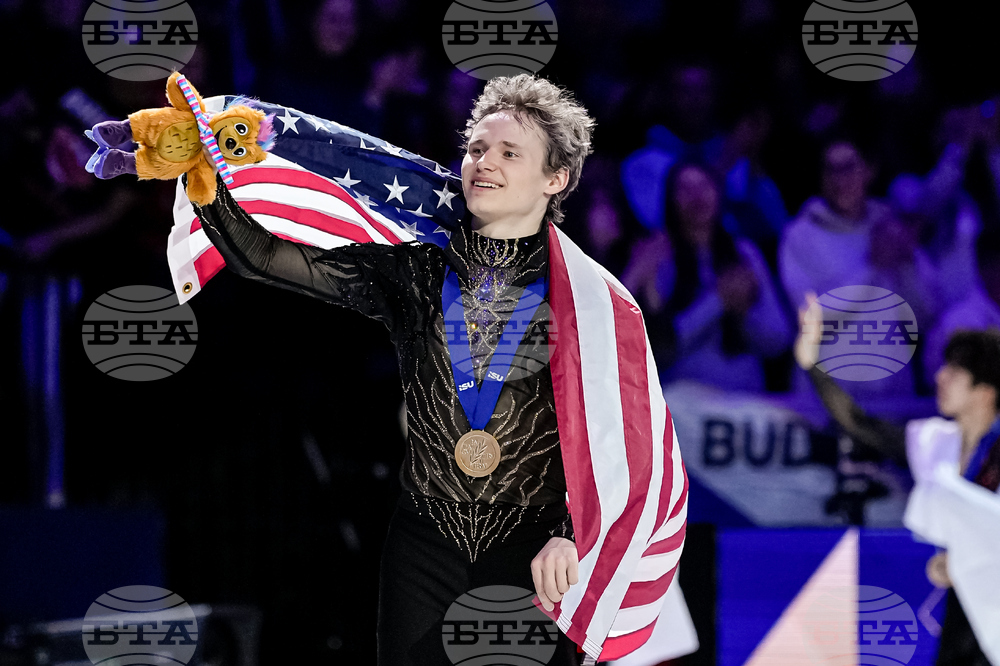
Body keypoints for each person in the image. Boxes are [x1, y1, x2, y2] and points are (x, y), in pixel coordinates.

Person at [172, 74, 686, 665]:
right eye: (475, 149)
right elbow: (261, 256)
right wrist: (204, 183)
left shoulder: (593, 306)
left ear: (556, 179)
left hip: (534, 549)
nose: (483, 163)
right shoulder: (417, 272)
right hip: (424, 544)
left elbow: (627, 452)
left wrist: (572, 535)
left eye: (508, 153)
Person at [795, 293, 1000, 665]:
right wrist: (813, 363)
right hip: (964, 613)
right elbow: (861, 424)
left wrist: (969, 560)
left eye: (954, 372)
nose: (939, 377)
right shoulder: (937, 442)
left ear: (984, 392)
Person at [622, 160, 793, 392]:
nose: (697, 196)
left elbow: (779, 340)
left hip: (744, 400)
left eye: (704, 186)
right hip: (684, 404)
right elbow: (659, 350)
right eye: (685, 189)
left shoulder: (744, 252)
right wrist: (717, 302)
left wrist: (745, 313)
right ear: (670, 200)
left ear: (718, 192)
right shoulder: (658, 255)